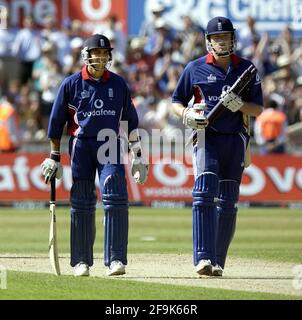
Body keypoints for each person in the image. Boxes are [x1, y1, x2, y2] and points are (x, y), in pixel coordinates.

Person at [40, 34, 148, 277]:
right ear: (86, 56)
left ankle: (116, 260)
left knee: (115, 192)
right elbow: (56, 124)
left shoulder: (118, 84)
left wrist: (137, 154)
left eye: (104, 53)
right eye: (95, 53)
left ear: (109, 56)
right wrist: (54, 156)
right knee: (81, 201)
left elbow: (129, 122)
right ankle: (81, 262)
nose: (100, 57)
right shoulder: (71, 84)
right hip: (81, 144)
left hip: (110, 142)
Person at [172, 17, 263, 277]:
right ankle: (202, 258)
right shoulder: (195, 68)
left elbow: (258, 108)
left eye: (226, 37)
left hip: (235, 139)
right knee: (203, 192)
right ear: (208, 41)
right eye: (217, 38)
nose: (223, 42)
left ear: (233, 39)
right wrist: (186, 115)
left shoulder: (247, 69)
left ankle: (218, 261)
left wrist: (240, 106)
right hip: (206, 136)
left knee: (228, 202)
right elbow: (176, 100)